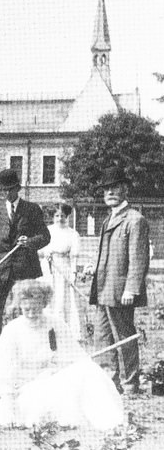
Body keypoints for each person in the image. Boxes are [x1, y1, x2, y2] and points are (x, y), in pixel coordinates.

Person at [0, 279, 123, 429]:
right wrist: (9, 403)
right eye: (27, 309)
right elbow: (4, 373)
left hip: (53, 381)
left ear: (44, 304)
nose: (32, 314)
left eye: (36, 309)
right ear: (20, 306)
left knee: (89, 370)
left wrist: (57, 368)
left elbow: (75, 357)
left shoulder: (55, 323)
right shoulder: (12, 331)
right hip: (26, 391)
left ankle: (111, 422)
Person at [86, 167, 150, 395]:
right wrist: (93, 268)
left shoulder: (135, 220)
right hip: (103, 288)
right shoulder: (108, 219)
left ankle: (130, 384)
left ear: (125, 189)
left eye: (115, 187)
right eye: (106, 189)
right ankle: (108, 383)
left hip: (121, 291)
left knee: (123, 337)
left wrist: (131, 288)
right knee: (102, 338)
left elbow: (139, 259)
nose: (110, 192)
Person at [0, 168, 50, 367]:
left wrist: (29, 241)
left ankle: (26, 355)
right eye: (3, 190)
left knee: (24, 312)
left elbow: (45, 236)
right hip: (0, 271)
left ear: (17, 189)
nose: (6, 194)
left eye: (10, 189)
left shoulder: (32, 209)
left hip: (25, 272)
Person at [39, 203, 82, 339]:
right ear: (52, 217)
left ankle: (64, 332)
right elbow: (38, 250)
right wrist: (45, 252)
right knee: (47, 297)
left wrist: (73, 272)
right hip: (47, 267)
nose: (59, 219)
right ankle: (46, 331)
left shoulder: (72, 234)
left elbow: (74, 256)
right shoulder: (46, 231)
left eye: (62, 216)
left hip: (63, 268)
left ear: (67, 216)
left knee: (62, 299)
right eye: (56, 216)